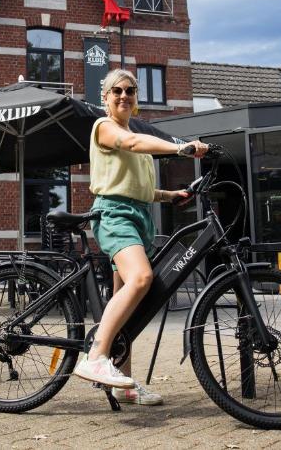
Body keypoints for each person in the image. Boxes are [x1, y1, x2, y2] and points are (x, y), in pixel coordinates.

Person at [71, 68, 208, 405]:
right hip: (116, 217)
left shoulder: (139, 143)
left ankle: (124, 384)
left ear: (136, 100)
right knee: (142, 277)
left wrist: (169, 195)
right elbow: (130, 144)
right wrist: (180, 148)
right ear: (105, 99)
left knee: (128, 311)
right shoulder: (104, 127)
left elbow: (139, 188)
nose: (123, 96)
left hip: (138, 218)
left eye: (130, 91)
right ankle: (95, 357)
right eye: (116, 91)